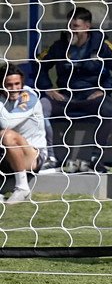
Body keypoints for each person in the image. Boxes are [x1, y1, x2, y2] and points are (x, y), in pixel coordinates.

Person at [36, 7, 112, 171]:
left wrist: (105, 89)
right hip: (66, 97)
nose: (71, 30)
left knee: (105, 107)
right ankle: (49, 157)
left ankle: (96, 158)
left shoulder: (101, 45)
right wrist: (48, 89)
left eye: (75, 26)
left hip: (92, 97)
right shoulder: (59, 46)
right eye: (69, 25)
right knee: (41, 106)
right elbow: (39, 64)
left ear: (87, 27)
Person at [0, 65, 49, 204]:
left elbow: (6, 123)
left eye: (17, 84)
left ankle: (22, 187)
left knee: (7, 135)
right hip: (6, 154)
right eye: (8, 85)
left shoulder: (29, 97)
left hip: (33, 155)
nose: (14, 88)